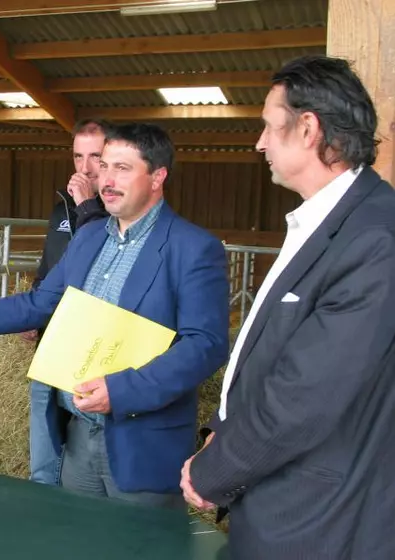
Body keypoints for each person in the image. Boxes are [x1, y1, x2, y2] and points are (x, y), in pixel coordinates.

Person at [0, 123, 229, 508]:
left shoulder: (194, 247)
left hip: (141, 441)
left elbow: (206, 344)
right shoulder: (90, 235)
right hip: (77, 432)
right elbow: (39, 303)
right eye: (105, 166)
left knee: (140, 547)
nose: (106, 179)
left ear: (158, 176)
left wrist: (121, 391)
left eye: (123, 168)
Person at [181, 55, 395, 559]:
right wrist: (221, 431)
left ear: (307, 128)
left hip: (316, 518)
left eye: (268, 127)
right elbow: (271, 356)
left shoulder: (374, 238)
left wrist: (216, 471)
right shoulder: (330, 222)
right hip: (281, 494)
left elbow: (306, 395)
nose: (259, 143)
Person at [24, 118, 111, 487]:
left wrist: (88, 205)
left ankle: (82, 493)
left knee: (82, 421)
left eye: (96, 156)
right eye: (78, 156)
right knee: (42, 410)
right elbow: (50, 263)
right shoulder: (62, 206)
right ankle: (43, 490)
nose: (85, 167)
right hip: (54, 333)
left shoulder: (116, 209)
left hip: (94, 341)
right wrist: (32, 308)